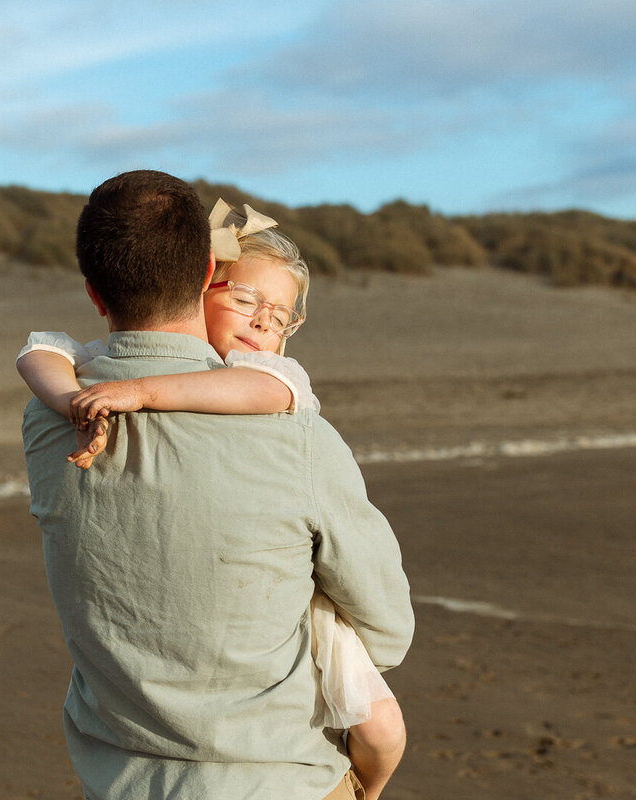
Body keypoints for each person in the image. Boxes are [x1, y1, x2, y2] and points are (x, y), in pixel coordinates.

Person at [21, 170, 413, 799]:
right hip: (278, 779)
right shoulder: (296, 435)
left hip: (120, 780)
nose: (262, 325)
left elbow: (41, 356)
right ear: (207, 277)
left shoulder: (50, 419)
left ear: (95, 293)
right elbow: (388, 628)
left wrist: (85, 399)